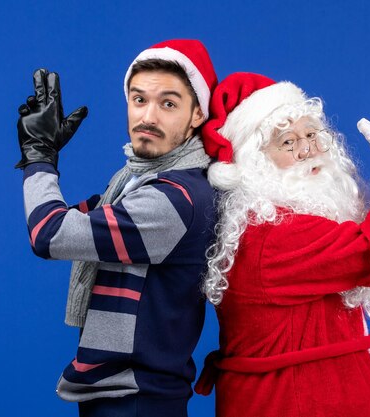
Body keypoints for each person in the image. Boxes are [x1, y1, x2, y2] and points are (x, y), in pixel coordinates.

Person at [194, 73, 370, 417]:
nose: (308, 149)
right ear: (254, 164)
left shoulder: (277, 224)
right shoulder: (274, 236)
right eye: (287, 142)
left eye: (311, 134)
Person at [15, 39, 218, 417]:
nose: (148, 117)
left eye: (168, 103)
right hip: (123, 396)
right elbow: (75, 220)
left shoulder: (175, 199)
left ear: (197, 115)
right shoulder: (133, 181)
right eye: (139, 99)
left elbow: (50, 233)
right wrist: (41, 159)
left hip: (139, 401)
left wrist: (39, 156)